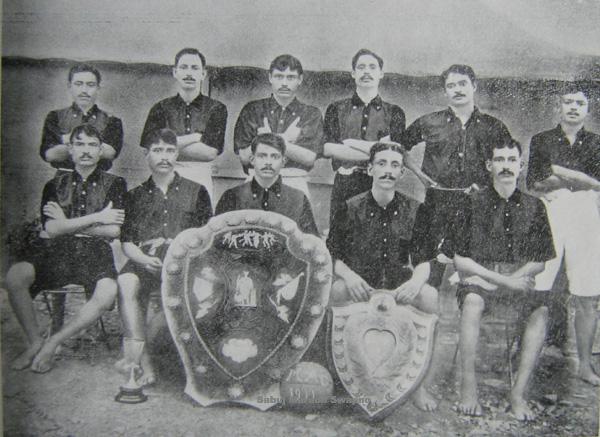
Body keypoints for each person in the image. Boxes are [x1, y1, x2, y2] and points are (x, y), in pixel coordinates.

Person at [444, 139, 555, 420]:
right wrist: (499, 280)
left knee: (540, 313)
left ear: (520, 166)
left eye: (511, 160)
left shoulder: (535, 206)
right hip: (480, 278)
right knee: (472, 302)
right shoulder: (471, 202)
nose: (506, 165)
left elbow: (540, 260)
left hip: (519, 278)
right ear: (489, 166)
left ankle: (518, 393)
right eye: (500, 160)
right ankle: (469, 386)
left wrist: (513, 279)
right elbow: (460, 259)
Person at [326, 142, 439, 412]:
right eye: (381, 163)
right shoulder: (349, 206)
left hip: (399, 287)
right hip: (362, 285)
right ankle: (341, 379)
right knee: (338, 290)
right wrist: (350, 277)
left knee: (430, 295)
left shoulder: (417, 209)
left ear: (402, 173)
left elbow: (425, 260)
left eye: (395, 165)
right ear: (369, 169)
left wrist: (414, 282)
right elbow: (333, 256)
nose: (388, 171)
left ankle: (418, 384)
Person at [6, 124, 127, 373]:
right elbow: (51, 230)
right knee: (15, 276)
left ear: (101, 151)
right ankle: (34, 341)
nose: (86, 150)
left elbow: (113, 231)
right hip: (56, 251)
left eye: (92, 145)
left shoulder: (115, 184)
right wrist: (98, 217)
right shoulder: (54, 185)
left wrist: (66, 222)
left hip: (94, 251)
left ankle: (53, 342)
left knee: (107, 292)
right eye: (79, 144)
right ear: (70, 150)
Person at [400, 64, 512, 286]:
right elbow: (399, 147)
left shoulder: (493, 126)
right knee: (429, 270)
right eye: (451, 85)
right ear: (445, 91)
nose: (457, 90)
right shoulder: (429, 122)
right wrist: (419, 174)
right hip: (436, 205)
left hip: (477, 206)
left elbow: (508, 163)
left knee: (474, 279)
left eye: (463, 84)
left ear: (474, 86)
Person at [117, 128, 212, 384]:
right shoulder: (134, 196)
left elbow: (206, 238)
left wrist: (181, 259)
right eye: (157, 150)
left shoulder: (197, 191)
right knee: (127, 282)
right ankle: (144, 365)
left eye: (170, 150)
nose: (164, 156)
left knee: (178, 303)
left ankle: (141, 350)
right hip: (145, 260)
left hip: (184, 265)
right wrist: (144, 260)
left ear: (177, 154)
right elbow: (127, 242)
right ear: (147, 155)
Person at [527, 82, 600, 386]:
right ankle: (527, 357)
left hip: (585, 216)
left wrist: (560, 173)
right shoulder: (542, 139)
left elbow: (597, 185)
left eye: (579, 103)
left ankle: (584, 364)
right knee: (538, 286)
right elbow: (535, 183)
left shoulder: (596, 142)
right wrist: (581, 179)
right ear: (559, 105)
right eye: (568, 102)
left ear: (587, 108)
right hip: (551, 214)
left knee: (587, 293)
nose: (572, 107)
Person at [323, 49, 406, 226]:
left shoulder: (395, 112)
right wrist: (378, 149)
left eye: (372, 67)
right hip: (344, 183)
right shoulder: (335, 109)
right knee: (340, 241)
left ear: (381, 73)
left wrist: (351, 143)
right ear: (353, 73)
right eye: (361, 67)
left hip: (380, 184)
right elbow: (329, 149)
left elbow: (394, 153)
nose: (366, 71)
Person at [141, 48, 227, 203]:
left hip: (200, 176)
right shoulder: (160, 108)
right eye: (184, 67)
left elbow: (209, 153)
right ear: (175, 72)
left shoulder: (216, 108)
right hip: (165, 173)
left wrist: (168, 144)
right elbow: (150, 148)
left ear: (203, 74)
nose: (189, 73)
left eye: (194, 68)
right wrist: (195, 138)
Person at [233, 54, 324, 196]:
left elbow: (309, 158)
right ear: (270, 77)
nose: (284, 83)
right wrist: (286, 141)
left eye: (290, 77)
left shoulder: (311, 114)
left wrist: (267, 139)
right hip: (256, 181)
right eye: (279, 76)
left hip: (294, 182)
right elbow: (244, 157)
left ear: (300, 79)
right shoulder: (253, 109)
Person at [216, 133, 318, 236]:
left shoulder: (298, 198)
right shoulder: (233, 196)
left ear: (283, 162)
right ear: (252, 160)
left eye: (274, 157)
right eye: (262, 156)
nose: (268, 162)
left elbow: (311, 242)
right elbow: (216, 240)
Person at [40, 63, 124, 172]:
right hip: (63, 178)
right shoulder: (55, 116)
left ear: (98, 88)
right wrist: (94, 145)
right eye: (78, 84)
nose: (84, 90)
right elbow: (49, 155)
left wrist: (67, 140)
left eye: (90, 84)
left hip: (99, 179)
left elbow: (110, 153)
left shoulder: (112, 120)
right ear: (70, 86)